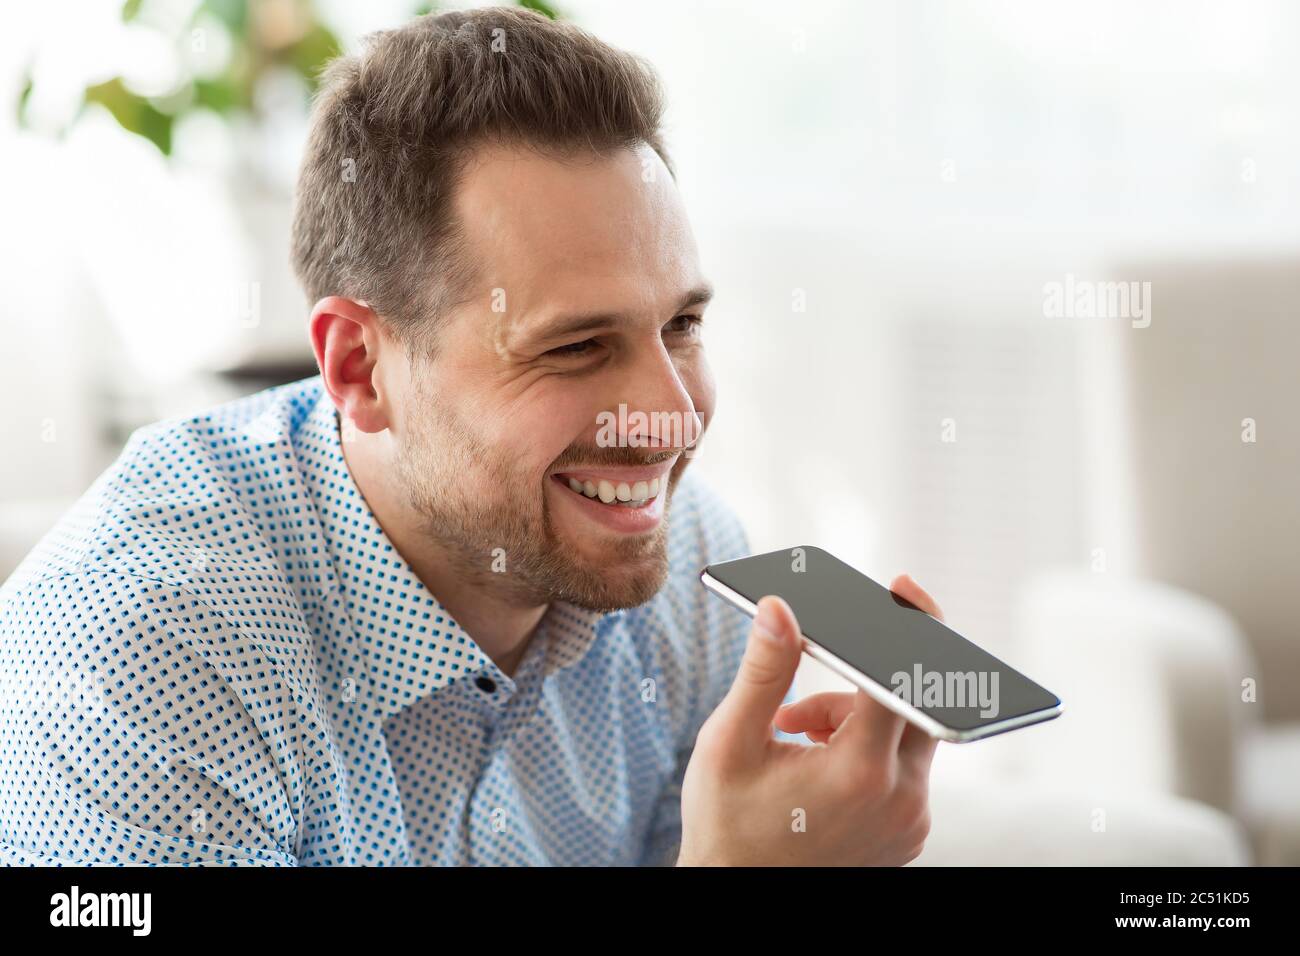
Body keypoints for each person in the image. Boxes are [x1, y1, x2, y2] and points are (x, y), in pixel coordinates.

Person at [0, 6, 935, 866]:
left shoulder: (686, 571)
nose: (674, 415)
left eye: (681, 326)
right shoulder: (144, 660)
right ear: (361, 369)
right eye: (576, 346)